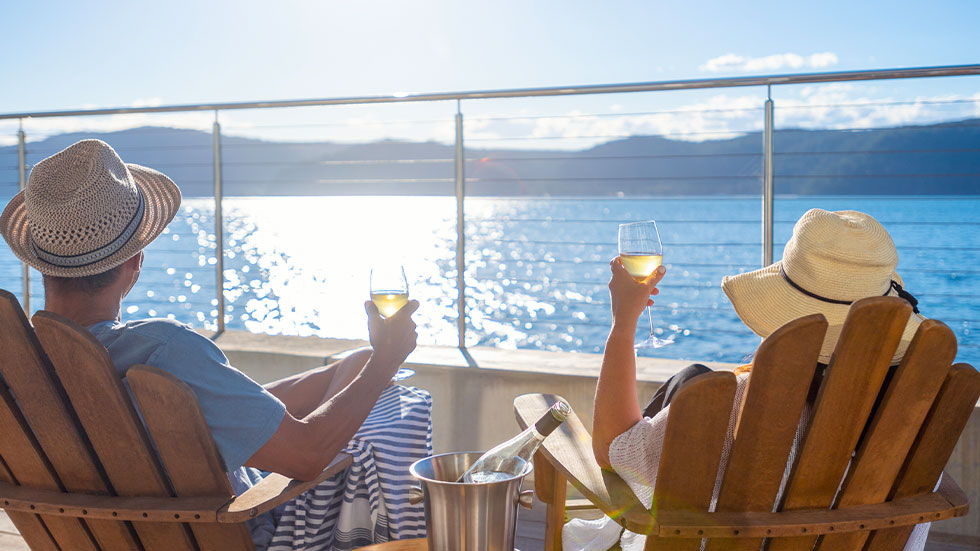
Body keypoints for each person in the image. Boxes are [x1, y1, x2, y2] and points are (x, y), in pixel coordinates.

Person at [0, 139, 429, 550]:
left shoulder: (16, 369)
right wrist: (387, 359)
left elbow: (170, 426)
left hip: (92, 539)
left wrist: (350, 372)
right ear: (135, 261)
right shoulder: (164, 352)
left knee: (352, 365)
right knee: (389, 412)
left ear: (40, 265)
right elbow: (307, 458)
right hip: (243, 532)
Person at [566, 208, 930, 551]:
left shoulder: (746, 406)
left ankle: (610, 534)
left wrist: (623, 322)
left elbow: (614, 452)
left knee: (694, 388)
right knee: (692, 379)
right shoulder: (916, 412)